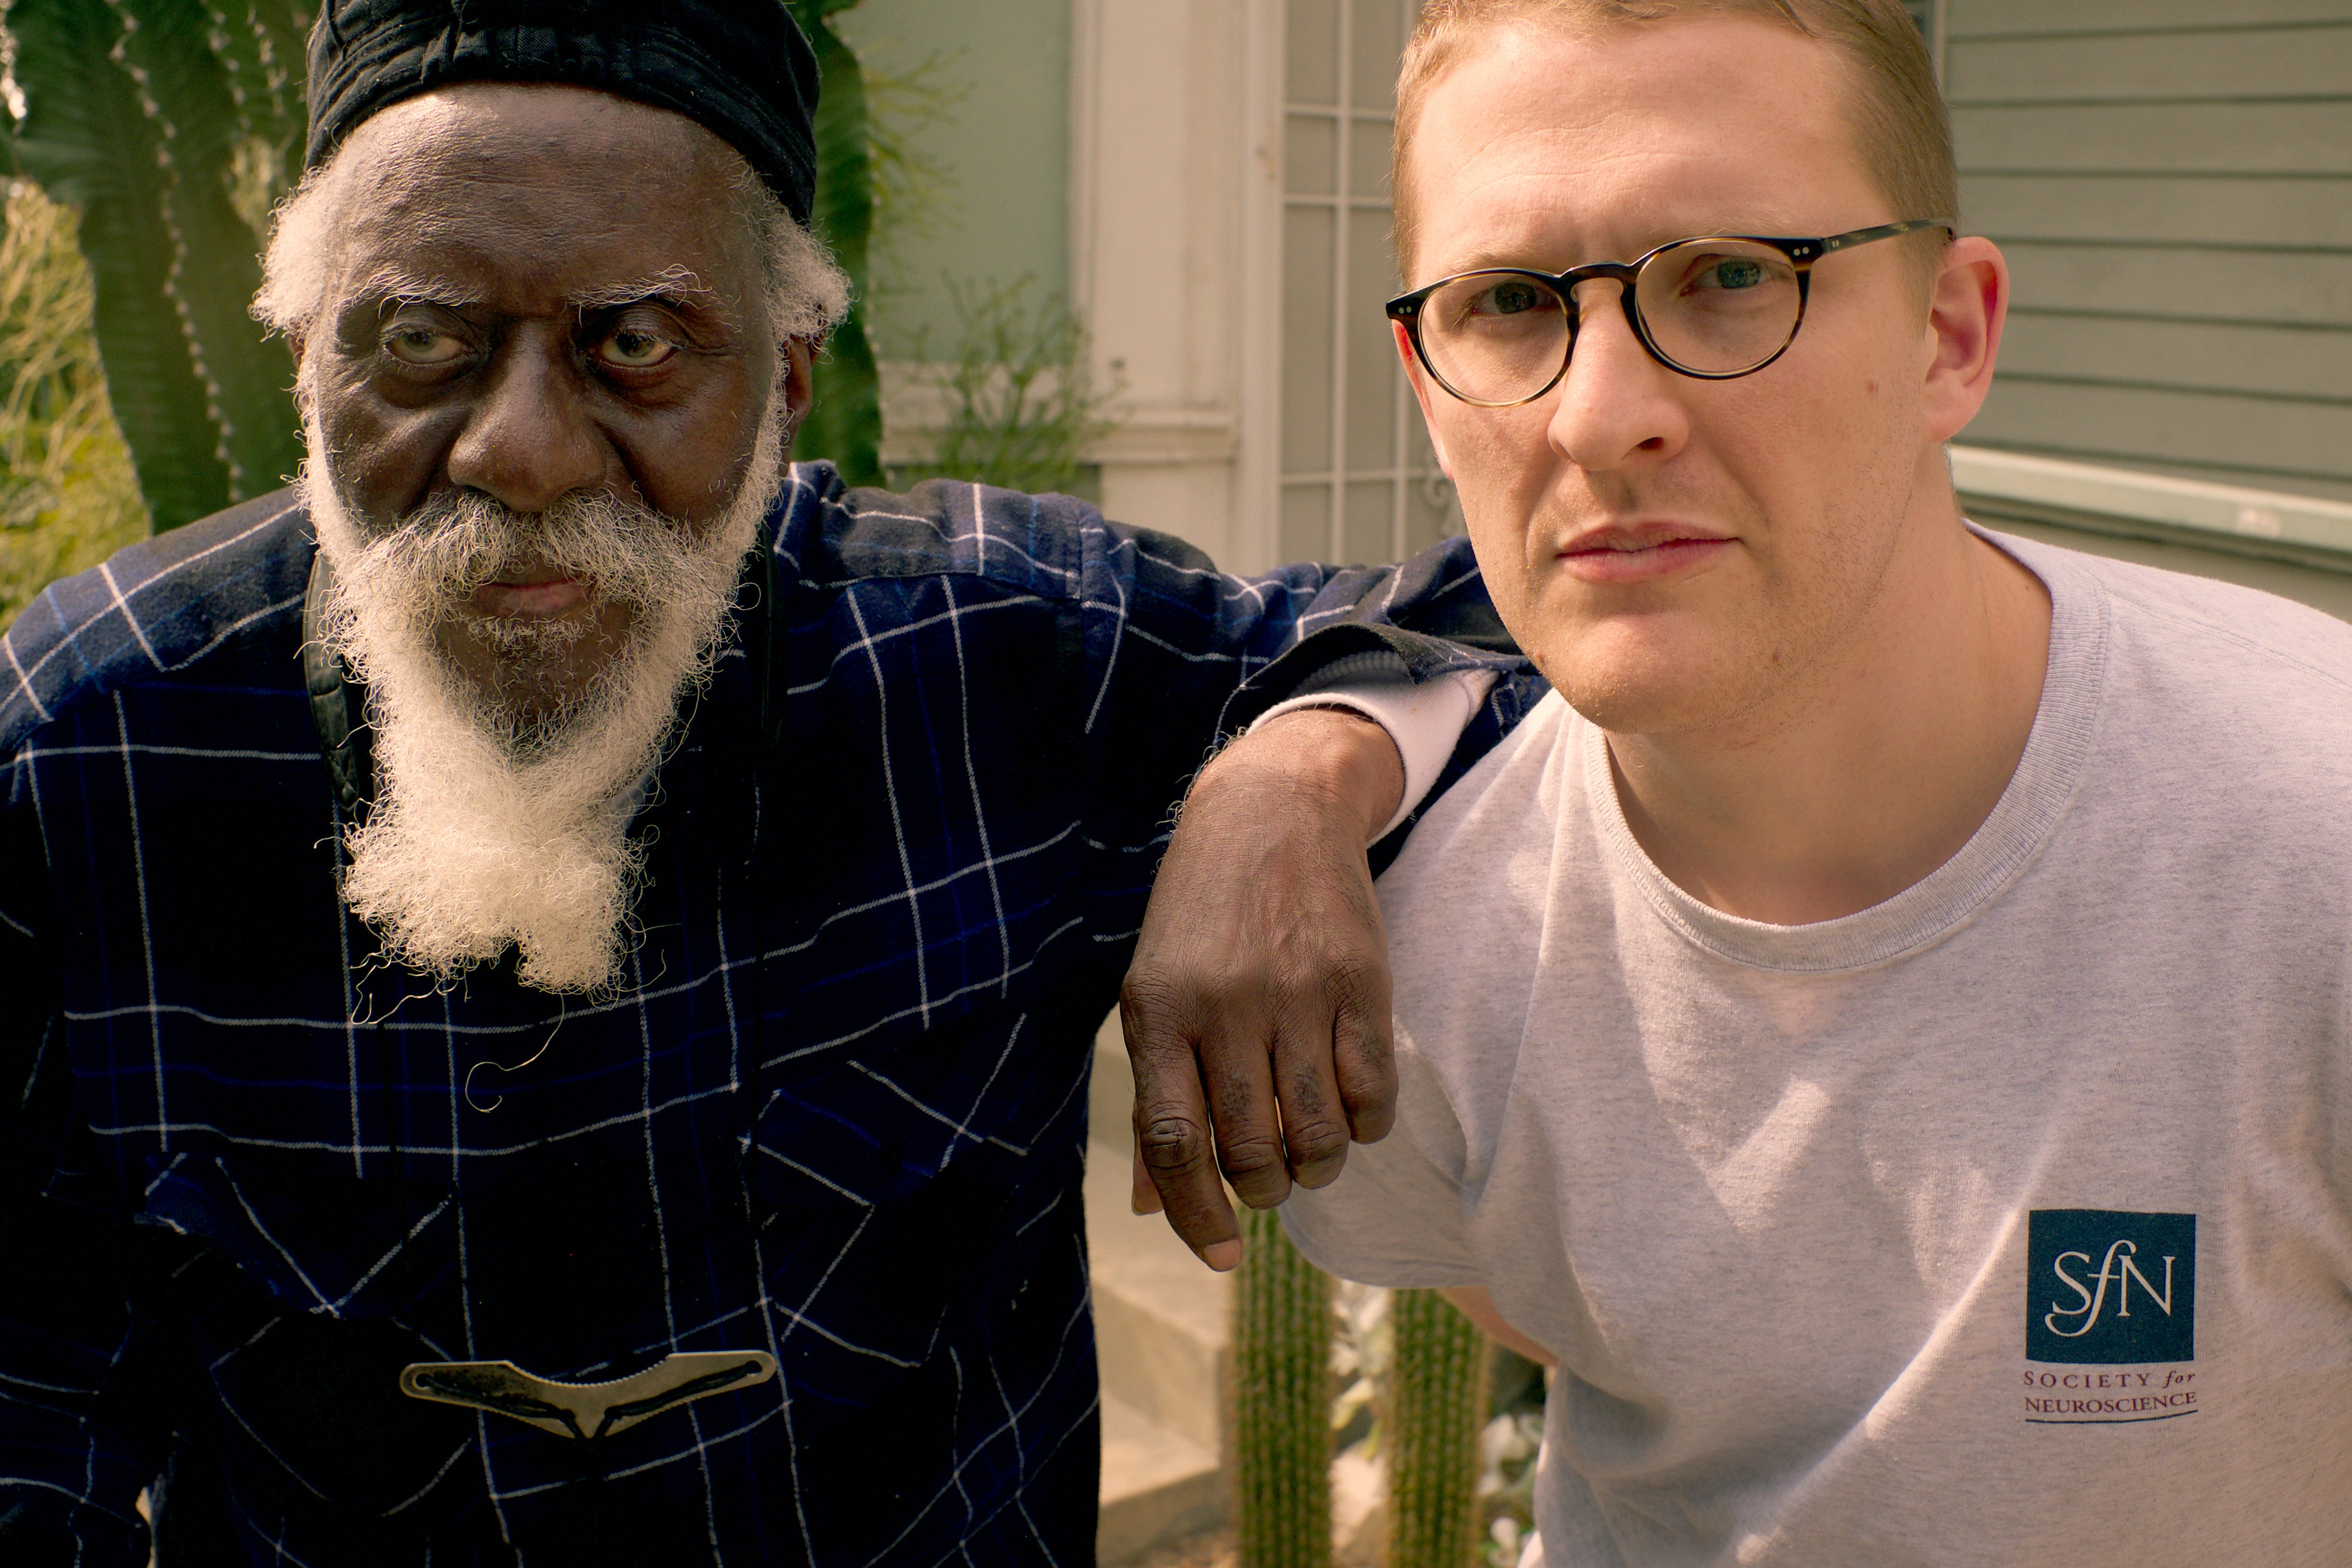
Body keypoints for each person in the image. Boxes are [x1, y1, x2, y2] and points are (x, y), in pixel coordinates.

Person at [0, 2, 1526, 1562]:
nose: (519, 453)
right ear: (305, 356)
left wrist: (1298, 772)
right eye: (419, 341)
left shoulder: (997, 657)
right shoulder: (87, 750)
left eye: (637, 341)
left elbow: (1523, 615)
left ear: (790, 383)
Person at [1255, 0, 2352, 1563]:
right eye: (1507, 301)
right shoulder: (1415, 940)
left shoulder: (2315, 845)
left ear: (1947, 337)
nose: (1597, 415)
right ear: (1430, 384)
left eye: (1726, 278)